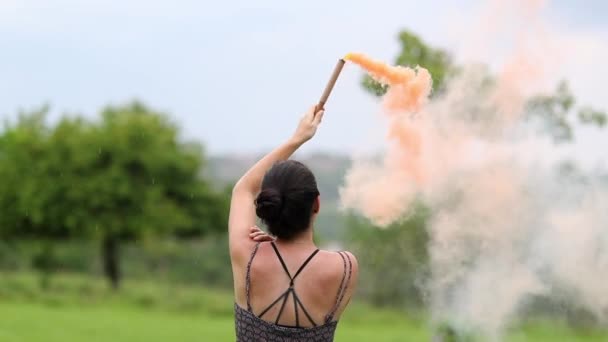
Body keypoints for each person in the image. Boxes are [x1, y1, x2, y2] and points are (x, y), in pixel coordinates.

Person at [229, 105, 359, 341]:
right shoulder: (345, 267)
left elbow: (244, 189)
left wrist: (297, 138)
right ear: (317, 204)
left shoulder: (246, 255)